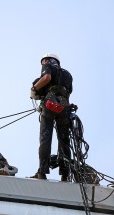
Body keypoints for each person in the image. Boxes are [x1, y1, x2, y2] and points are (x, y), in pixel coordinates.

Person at [30, 53, 73, 181]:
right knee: (64, 139)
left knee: (45, 137)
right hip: (64, 106)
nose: (44, 63)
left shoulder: (48, 66)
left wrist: (34, 88)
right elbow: (68, 91)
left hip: (49, 103)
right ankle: (65, 173)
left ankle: (42, 172)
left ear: (49, 60)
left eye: (44, 61)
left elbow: (47, 78)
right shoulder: (67, 74)